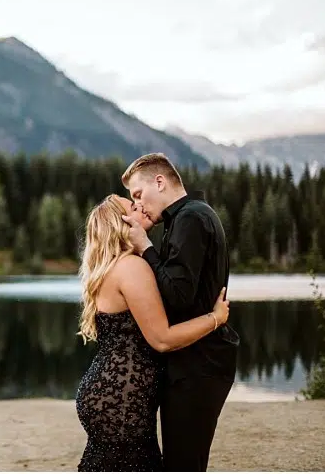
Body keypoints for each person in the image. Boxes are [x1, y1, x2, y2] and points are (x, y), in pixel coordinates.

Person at [75, 194, 230, 472]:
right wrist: (215, 318)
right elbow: (162, 339)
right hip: (123, 398)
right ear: (120, 223)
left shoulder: (110, 267)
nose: (140, 206)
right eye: (131, 207)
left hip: (107, 392)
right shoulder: (132, 267)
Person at [120, 152, 240, 472]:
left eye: (138, 195)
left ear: (159, 181)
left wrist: (145, 247)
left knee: (183, 465)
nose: (139, 205)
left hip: (198, 364)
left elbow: (177, 297)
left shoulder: (190, 218)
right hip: (196, 361)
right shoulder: (189, 216)